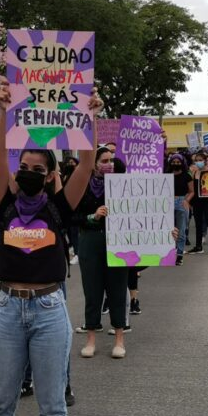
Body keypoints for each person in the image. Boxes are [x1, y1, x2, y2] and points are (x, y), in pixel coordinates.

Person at [0, 82, 99, 416]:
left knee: (52, 407)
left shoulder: (59, 208)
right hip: (7, 312)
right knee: (1, 404)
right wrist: (3, 112)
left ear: (50, 175)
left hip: (49, 311)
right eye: (25, 167)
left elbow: (86, 163)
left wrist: (89, 117)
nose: (29, 172)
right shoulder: (4, 204)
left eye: (38, 168)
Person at [74, 147, 129, 360]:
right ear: (94, 163)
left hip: (117, 241)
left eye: (111, 160)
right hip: (90, 240)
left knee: (117, 289)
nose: (109, 164)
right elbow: (73, 216)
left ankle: (119, 339)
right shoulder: (82, 184)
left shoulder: (122, 183)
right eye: (104, 160)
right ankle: (91, 339)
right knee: (92, 291)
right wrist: (92, 217)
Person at [168, 154, 194, 266]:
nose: (176, 164)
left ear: (182, 163)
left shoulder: (187, 176)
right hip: (167, 203)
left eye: (178, 162)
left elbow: (191, 191)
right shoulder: (166, 174)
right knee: (169, 229)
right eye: (174, 161)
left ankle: (179, 255)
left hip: (181, 202)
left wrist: (186, 200)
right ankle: (169, 253)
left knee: (181, 230)